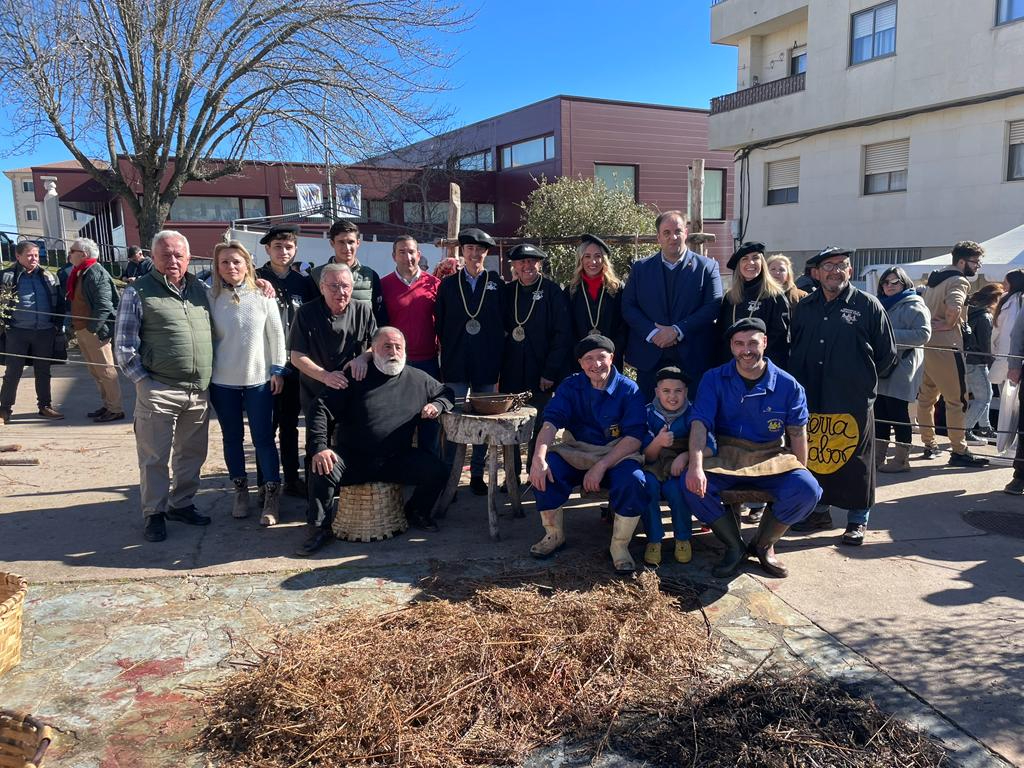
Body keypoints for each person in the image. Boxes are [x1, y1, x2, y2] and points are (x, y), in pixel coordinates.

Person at [683, 318, 822, 578]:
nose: (746, 350)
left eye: (753, 343)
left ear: (765, 343)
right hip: (726, 453)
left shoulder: (788, 385)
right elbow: (700, 424)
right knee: (690, 484)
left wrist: (802, 470)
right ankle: (734, 546)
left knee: (807, 489)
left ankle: (763, 544)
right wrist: (696, 466)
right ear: (731, 347)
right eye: (739, 344)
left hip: (770, 454)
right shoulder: (714, 378)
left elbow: (797, 432)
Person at [304, 327, 454, 552]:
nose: (393, 352)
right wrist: (319, 447)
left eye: (398, 347)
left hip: (396, 459)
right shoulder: (355, 376)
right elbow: (320, 407)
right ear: (373, 350)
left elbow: (446, 393)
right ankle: (320, 528)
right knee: (321, 466)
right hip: (353, 458)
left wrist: (437, 405)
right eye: (387, 346)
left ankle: (416, 512)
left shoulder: (418, 379)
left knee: (438, 470)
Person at [788, 246, 897, 546]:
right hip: (812, 395)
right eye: (829, 265)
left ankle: (857, 520)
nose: (835, 270)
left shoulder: (869, 305)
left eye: (842, 265)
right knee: (818, 455)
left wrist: (859, 380)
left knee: (855, 462)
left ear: (850, 271)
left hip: (851, 398)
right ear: (816, 273)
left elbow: (887, 356)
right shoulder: (805, 307)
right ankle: (819, 512)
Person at [114, 230, 215, 542]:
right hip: (158, 387)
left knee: (191, 453)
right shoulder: (139, 292)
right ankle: (154, 513)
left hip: (197, 389)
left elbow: (236, 293)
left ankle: (181, 503)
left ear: (188, 258)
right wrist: (143, 383)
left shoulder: (201, 289)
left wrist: (261, 284)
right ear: (153, 257)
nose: (173, 260)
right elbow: (124, 346)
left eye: (178, 255)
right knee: (154, 456)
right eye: (166, 254)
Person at [528, 335, 649, 574]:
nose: (596, 365)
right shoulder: (571, 385)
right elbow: (551, 422)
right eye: (588, 359)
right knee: (547, 468)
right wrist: (538, 458)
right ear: (581, 363)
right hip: (578, 450)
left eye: (601, 357)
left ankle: (619, 546)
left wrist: (602, 465)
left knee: (634, 480)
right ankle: (554, 534)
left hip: (616, 452)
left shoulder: (629, 389)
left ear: (612, 358)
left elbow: (635, 437)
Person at [207, 241, 287, 526]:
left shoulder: (262, 294)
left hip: (258, 380)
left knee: (264, 438)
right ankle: (240, 490)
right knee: (232, 437)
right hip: (223, 380)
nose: (231, 267)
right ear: (217, 267)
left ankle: (271, 495)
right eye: (225, 262)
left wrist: (277, 370)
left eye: (237, 261)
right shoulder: (210, 297)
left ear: (247, 264)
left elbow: (277, 335)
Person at [621, 210, 723, 398]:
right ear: (658, 237)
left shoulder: (707, 267)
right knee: (648, 416)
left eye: (677, 231)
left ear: (686, 232)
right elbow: (628, 306)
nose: (673, 237)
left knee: (694, 417)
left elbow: (713, 306)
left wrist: (677, 330)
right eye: (666, 233)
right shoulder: (640, 268)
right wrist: (653, 333)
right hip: (650, 355)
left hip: (693, 356)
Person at [435, 228, 504, 495]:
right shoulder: (449, 285)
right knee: (453, 419)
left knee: (483, 422)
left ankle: (477, 474)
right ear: (462, 251)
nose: (475, 254)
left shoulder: (496, 283)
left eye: (480, 250)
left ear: (486, 253)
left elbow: (504, 321)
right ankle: (448, 475)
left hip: (487, 362)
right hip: (456, 360)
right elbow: (440, 322)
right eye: (470, 249)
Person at [254, 225, 319, 499]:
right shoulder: (254, 279)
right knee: (265, 427)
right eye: (278, 247)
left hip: (294, 366)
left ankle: (292, 479)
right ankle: (265, 483)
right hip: (262, 365)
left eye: (289, 247)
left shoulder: (303, 283)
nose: (284, 252)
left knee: (291, 425)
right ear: (267, 249)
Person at [501, 244, 573, 482]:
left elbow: (562, 334)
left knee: (538, 425)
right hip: (510, 371)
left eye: (532, 261)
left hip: (541, 373)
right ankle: (511, 475)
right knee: (509, 427)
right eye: (521, 262)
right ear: (514, 266)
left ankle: (534, 473)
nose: (527, 266)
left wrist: (550, 371)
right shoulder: (507, 291)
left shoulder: (553, 292)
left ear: (539, 264)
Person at [916, 241, 989, 467]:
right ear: (961, 261)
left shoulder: (933, 280)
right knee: (957, 400)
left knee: (927, 398)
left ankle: (929, 443)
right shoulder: (959, 280)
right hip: (947, 346)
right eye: (975, 262)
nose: (978, 267)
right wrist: (949, 324)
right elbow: (955, 305)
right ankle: (959, 450)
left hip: (927, 345)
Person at [639, 366, 713, 567]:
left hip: (680, 467)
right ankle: (654, 539)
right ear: (656, 392)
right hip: (653, 465)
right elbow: (644, 454)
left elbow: (711, 446)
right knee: (648, 487)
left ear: (686, 392)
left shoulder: (694, 413)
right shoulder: (646, 413)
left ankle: (682, 538)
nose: (672, 396)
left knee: (678, 490)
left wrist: (686, 456)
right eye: (666, 391)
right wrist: (658, 442)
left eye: (678, 391)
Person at [380, 236, 442, 454]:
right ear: (394, 256)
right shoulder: (383, 285)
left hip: (428, 362)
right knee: (399, 421)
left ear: (419, 253)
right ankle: (400, 474)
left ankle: (431, 474)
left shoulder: (433, 285)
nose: (408, 257)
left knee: (430, 420)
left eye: (412, 252)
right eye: (402, 252)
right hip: (396, 365)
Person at [0, 241, 66, 423]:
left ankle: (45, 406)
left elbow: (60, 303)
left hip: (45, 331)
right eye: (29, 255)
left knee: (43, 371)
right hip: (17, 332)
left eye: (36, 255)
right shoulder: (6, 276)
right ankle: (4, 409)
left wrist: (56, 325)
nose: (34, 259)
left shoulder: (48, 276)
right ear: (18, 256)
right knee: (13, 371)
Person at [874, 267, 931, 473]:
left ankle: (901, 460)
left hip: (902, 367)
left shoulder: (914, 304)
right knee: (879, 412)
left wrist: (887, 335)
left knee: (898, 413)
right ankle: (878, 456)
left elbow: (923, 334)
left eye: (894, 282)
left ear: (904, 283)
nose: (889, 286)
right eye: (885, 282)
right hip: (881, 367)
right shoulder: (879, 304)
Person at [66, 237, 125, 422]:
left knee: (106, 371)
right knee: (96, 371)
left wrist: (93, 329)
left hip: (95, 331)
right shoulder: (82, 272)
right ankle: (107, 405)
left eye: (72, 251)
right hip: (83, 330)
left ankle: (115, 409)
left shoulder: (95, 273)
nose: (69, 254)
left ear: (83, 255)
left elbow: (104, 305)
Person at [718, 242, 790, 369]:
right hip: (731, 369)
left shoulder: (775, 297)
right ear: (738, 265)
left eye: (755, 258)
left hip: (762, 369)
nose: (750, 263)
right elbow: (721, 337)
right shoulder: (729, 298)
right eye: (745, 259)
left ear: (762, 263)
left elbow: (779, 342)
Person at [564, 234, 626, 367]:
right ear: (580, 260)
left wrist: (613, 352)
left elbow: (624, 326)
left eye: (598, 256)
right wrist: (579, 354)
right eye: (587, 256)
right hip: (579, 361)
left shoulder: (617, 290)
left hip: (610, 359)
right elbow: (567, 329)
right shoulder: (571, 291)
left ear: (604, 260)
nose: (593, 262)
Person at [311, 220, 386, 324]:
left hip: (363, 339)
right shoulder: (316, 275)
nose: (347, 248)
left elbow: (379, 316)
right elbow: (310, 315)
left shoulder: (371, 276)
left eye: (351, 242)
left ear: (358, 243)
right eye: (341, 242)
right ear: (332, 243)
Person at [990, 269, 1024, 454]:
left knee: (1009, 407)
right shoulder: (1013, 302)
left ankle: (1009, 448)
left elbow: (998, 333)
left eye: (1006, 281)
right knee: (1011, 407)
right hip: (1011, 360)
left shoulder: (1009, 302)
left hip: (1007, 359)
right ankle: (1010, 448)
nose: (1003, 285)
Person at [964, 283, 1002, 444]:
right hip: (977, 362)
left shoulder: (970, 312)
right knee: (984, 397)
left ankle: (985, 427)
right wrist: (993, 362)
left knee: (984, 395)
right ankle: (966, 430)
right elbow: (986, 345)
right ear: (994, 299)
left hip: (966, 359)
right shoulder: (985, 316)